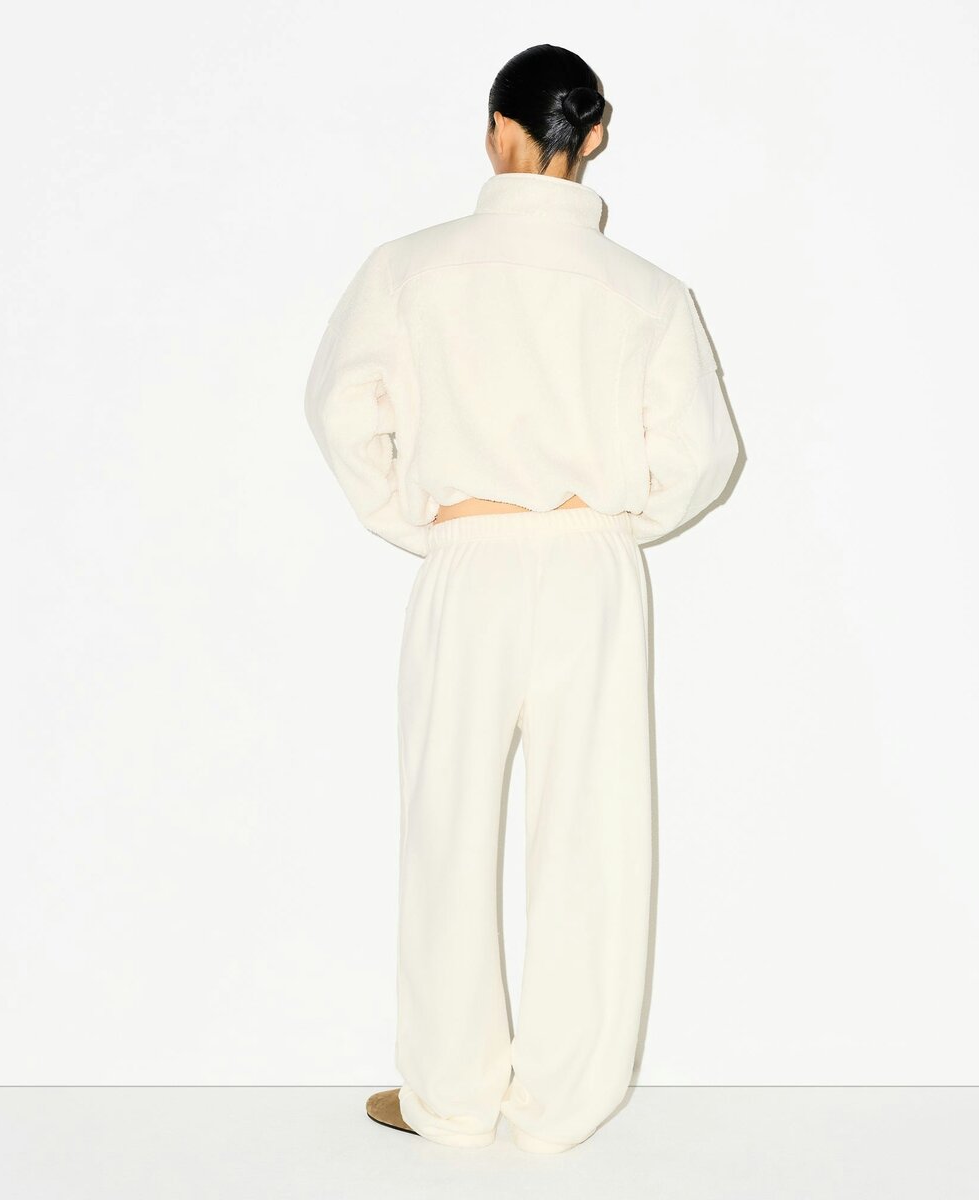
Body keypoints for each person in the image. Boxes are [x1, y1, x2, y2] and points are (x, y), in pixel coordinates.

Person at [304, 43, 741, 1154]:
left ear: (496, 129)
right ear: (593, 136)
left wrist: (423, 519)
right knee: (594, 828)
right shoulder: (647, 292)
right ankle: (562, 1105)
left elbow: (340, 410)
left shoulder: (407, 270)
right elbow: (702, 455)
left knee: (446, 822)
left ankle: (449, 1097)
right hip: (592, 564)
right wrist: (611, 518)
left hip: (468, 557)